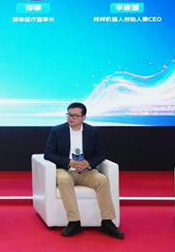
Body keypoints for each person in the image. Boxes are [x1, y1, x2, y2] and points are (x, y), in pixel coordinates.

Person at [43, 102, 124, 239]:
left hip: (87, 171)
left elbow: (100, 154)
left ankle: (107, 222)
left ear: (83, 117)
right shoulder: (57, 130)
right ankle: (74, 222)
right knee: (63, 180)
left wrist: (88, 163)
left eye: (75, 116)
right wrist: (69, 162)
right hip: (65, 170)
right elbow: (48, 154)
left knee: (102, 180)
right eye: (69, 115)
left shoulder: (92, 131)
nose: (71, 118)